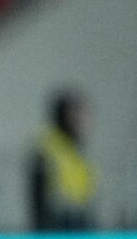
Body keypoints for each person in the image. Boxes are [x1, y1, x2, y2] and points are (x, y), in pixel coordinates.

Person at [29, 89, 96, 231]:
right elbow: (38, 194)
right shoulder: (48, 145)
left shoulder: (74, 146)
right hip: (58, 221)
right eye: (75, 113)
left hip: (79, 217)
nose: (82, 119)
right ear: (63, 115)